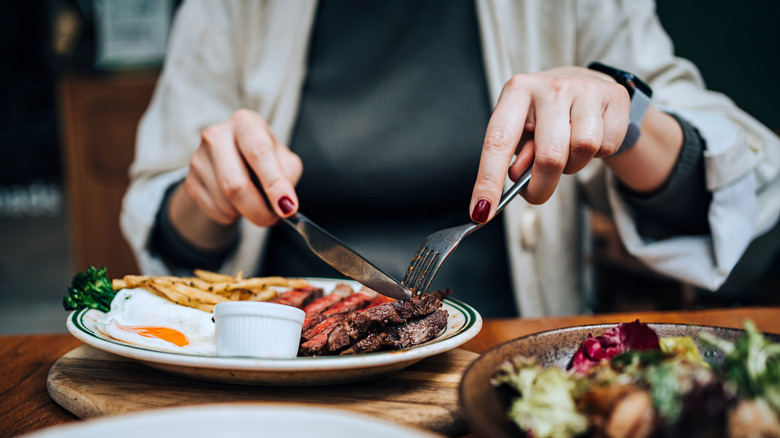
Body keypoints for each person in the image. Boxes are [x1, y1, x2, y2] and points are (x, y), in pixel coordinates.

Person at [121, 0, 780, 318]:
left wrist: (623, 116)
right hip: (276, 376)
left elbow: (744, 195)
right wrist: (204, 196)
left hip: (504, 368)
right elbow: (170, 244)